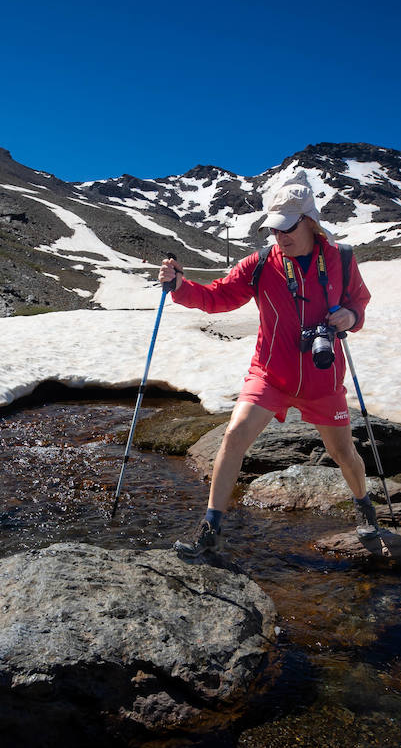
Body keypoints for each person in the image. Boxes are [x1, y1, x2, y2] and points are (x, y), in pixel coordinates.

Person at [160, 179, 377, 558]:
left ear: (310, 221)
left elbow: (359, 300)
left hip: (323, 380)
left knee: (344, 454)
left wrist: (350, 315)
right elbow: (218, 297)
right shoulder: (261, 263)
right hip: (270, 375)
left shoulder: (341, 258)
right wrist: (180, 286)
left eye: (287, 226)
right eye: (274, 227)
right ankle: (209, 530)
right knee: (234, 436)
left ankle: (365, 509)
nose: (279, 235)